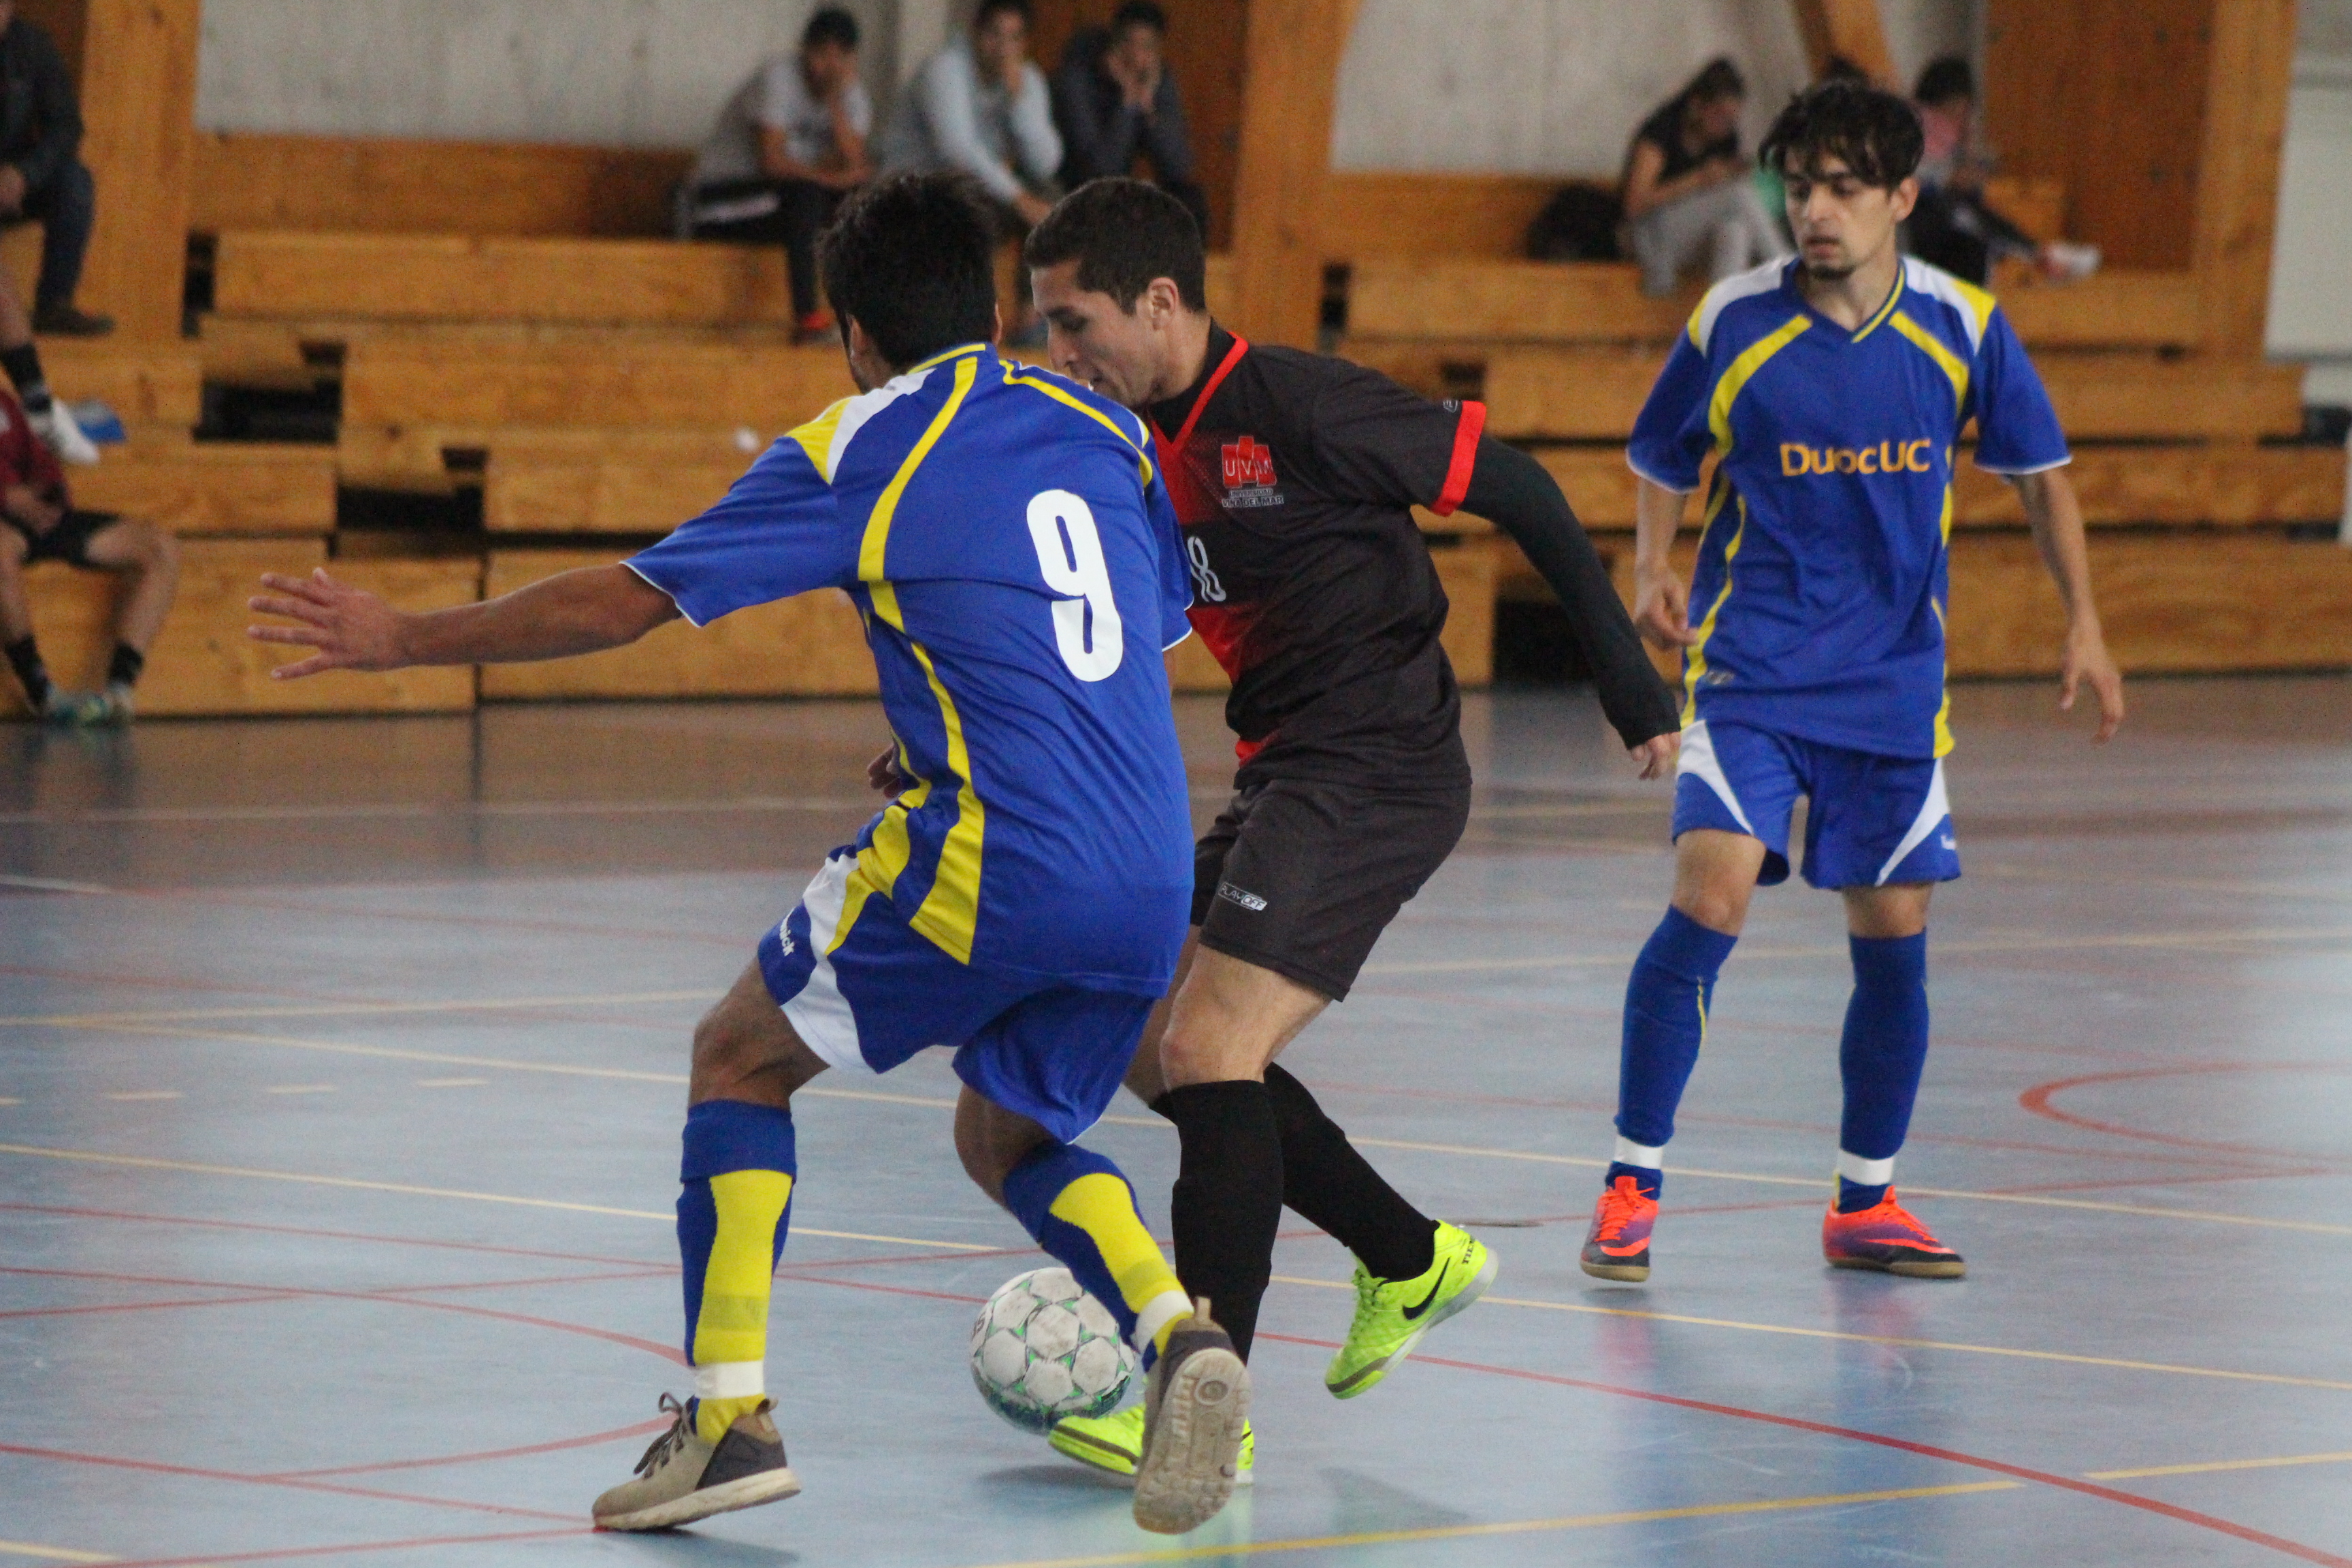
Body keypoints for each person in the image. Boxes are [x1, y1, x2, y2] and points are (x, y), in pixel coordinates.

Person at [246, 172, 1252, 1539]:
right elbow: (1120, 635)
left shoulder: (862, 443)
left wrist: (404, 638)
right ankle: (1177, 1332)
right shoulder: (1103, 425)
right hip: (1144, 867)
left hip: (1001, 853)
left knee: (738, 1055)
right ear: (992, 307)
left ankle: (728, 1418)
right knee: (1006, 1129)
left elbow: (628, 603)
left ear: (853, 334)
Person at [1024, 178, 1682, 1481]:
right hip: (1283, 771)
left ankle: (1201, 1398)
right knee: (1144, 1033)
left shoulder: (1300, 406)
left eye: (1073, 321)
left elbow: (1522, 487)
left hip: (1379, 765)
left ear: (1159, 302)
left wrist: (1624, 677)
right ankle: (1407, 1252)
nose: (1058, 352)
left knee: (1209, 1042)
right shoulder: (1129, 451)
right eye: (1044, 326)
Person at [1580, 80, 2125, 1288]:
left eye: (1842, 188)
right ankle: (1631, 1181)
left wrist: (2085, 624)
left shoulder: (1963, 326)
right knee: (1712, 891)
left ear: (1902, 196)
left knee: (1894, 934)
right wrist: (1655, 562)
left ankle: (1864, 1201)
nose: (1815, 211)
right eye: (1799, 188)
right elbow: (1663, 454)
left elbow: (2042, 478)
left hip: (1890, 688)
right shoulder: (1734, 319)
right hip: (1752, 671)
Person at [683, 7, 873, 342]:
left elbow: (856, 164)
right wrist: (831, 179)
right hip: (720, 202)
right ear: (804, 51)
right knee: (807, 196)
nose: (830, 66)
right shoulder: (779, 80)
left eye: (840, 57)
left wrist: (834, 103)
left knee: (863, 204)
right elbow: (771, 162)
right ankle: (807, 320)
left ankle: (865, 321)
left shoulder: (850, 94)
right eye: (822, 54)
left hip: (781, 208)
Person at [1, 384, 174, 723]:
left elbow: (39, 460)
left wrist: (48, 492)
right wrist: (8, 498)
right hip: (5, 521)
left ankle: (119, 688)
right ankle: (41, 691)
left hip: (38, 517)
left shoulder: (4, 403)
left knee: (159, 548)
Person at [1906, 56, 2098, 287]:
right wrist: (1950, 176)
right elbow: (1923, 172)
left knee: (1977, 214)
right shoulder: (1928, 125)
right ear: (1956, 101)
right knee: (1970, 222)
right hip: (1926, 211)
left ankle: (2041, 254)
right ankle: (2042, 256)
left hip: (1936, 206)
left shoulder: (1925, 121)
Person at [882, 0, 1061, 231]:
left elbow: (1045, 164)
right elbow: (957, 150)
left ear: (1025, 43)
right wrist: (1020, 200)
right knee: (987, 210)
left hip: (976, 188)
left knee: (1054, 198)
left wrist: (1020, 103)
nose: (1003, 48)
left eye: (1014, 38)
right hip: (917, 185)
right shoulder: (945, 68)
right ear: (975, 33)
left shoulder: (1027, 78)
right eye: (994, 34)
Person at [1620, 57, 1784, 297]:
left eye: (1731, 120)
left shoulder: (1725, 140)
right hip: (1648, 234)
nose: (1725, 127)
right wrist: (1699, 179)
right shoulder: (1662, 132)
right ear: (1697, 105)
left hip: (1692, 237)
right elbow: (1634, 204)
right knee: (1737, 196)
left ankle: (1720, 316)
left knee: (1735, 231)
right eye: (1720, 116)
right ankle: (1790, 275)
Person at [1051, 3, 1207, 238]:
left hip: (1120, 187)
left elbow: (1178, 167)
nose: (1136, 56)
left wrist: (1149, 108)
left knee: (1189, 202)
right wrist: (1127, 106)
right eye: (1128, 43)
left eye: (1147, 47)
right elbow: (1100, 171)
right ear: (1112, 46)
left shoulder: (1157, 81)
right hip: (1074, 185)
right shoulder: (1078, 80)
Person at [0, 0, 106, 339]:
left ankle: (55, 304)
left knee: (74, 181)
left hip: (12, 177)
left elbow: (65, 126)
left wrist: (24, 174)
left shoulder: (31, 47)